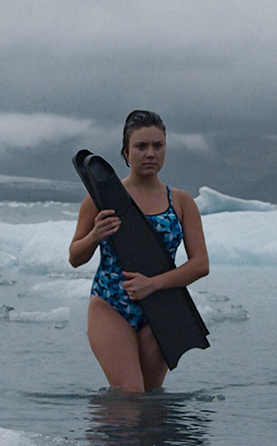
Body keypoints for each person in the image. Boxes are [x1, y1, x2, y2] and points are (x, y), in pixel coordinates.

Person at [69, 110, 209, 392]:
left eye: (158, 146)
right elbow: (75, 257)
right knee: (130, 395)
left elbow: (200, 265)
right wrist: (95, 235)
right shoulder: (100, 198)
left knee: (150, 398)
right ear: (125, 152)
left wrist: (152, 285)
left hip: (161, 306)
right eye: (141, 146)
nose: (150, 154)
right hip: (111, 303)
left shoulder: (181, 202)